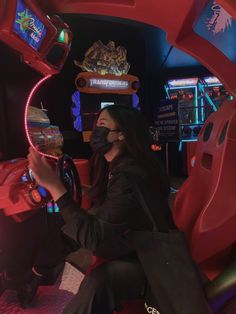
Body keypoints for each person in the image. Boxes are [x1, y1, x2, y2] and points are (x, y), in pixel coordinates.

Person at [27, 104, 177, 314]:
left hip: (152, 261)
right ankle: (37, 273)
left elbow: (96, 239)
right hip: (136, 243)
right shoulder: (119, 167)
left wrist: (54, 186)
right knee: (66, 234)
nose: (96, 131)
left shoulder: (130, 175)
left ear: (121, 135)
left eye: (102, 125)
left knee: (101, 278)